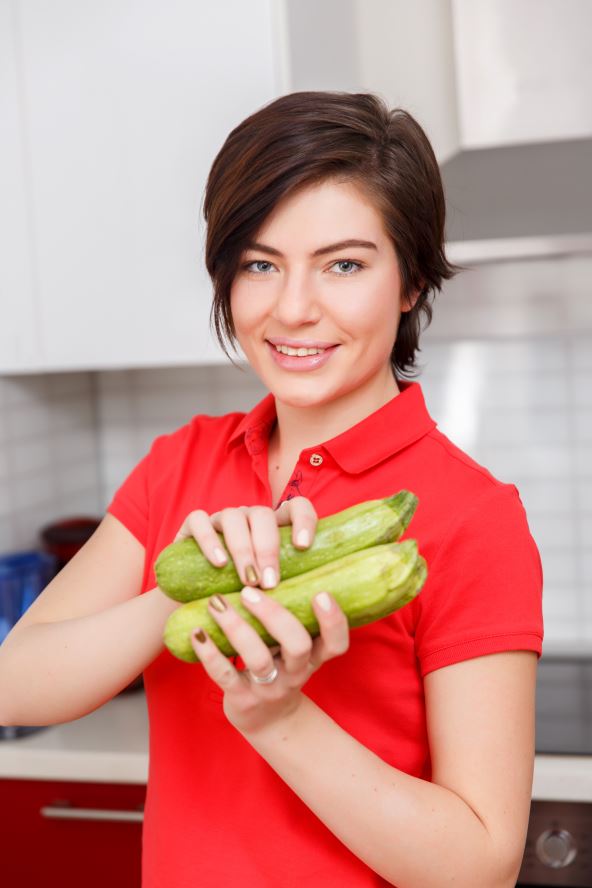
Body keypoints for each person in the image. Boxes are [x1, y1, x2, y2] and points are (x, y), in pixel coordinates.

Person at [0, 91, 543, 888]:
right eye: (260, 263)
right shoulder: (179, 464)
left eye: (345, 264)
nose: (292, 309)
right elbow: (17, 684)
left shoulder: (470, 517)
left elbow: (479, 866)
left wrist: (280, 716)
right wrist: (181, 585)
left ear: (411, 282)